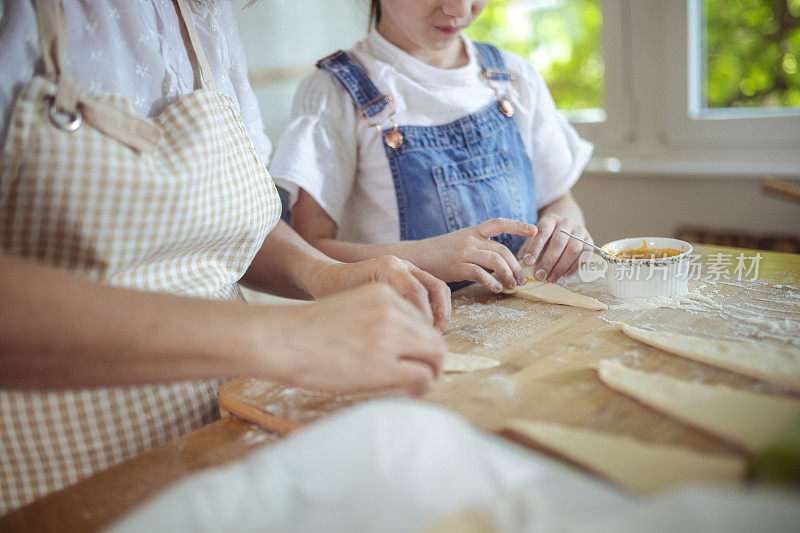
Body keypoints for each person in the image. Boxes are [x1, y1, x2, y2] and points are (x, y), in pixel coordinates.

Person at [0, 0, 451, 514]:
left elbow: (234, 222)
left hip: (220, 433)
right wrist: (284, 337)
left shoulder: (202, 16)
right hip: (62, 480)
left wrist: (327, 276)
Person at [270, 0, 595, 294]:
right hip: (405, 333)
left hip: (527, 327)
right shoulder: (335, 94)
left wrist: (564, 228)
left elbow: (558, 200)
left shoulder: (515, 78)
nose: (459, 9)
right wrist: (424, 256)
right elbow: (310, 249)